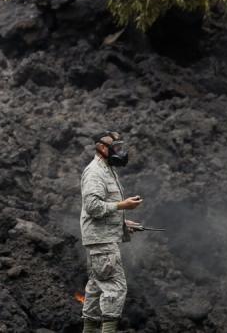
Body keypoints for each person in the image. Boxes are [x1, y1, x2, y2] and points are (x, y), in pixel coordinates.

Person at [79, 131, 143, 333]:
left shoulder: (107, 170)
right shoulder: (95, 172)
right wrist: (122, 206)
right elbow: (93, 207)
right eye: (115, 148)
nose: (120, 152)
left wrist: (123, 223)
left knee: (96, 289)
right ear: (102, 148)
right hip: (102, 242)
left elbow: (104, 208)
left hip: (102, 239)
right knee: (114, 288)